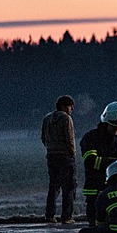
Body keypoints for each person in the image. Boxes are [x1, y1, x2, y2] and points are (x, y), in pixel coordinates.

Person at [41, 95, 77, 224]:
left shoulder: (47, 118)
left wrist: (51, 148)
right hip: (65, 156)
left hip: (51, 155)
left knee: (54, 186)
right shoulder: (66, 119)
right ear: (63, 106)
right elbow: (70, 139)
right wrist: (73, 154)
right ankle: (67, 217)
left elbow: (43, 138)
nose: (71, 109)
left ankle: (49, 215)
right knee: (69, 186)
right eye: (70, 106)